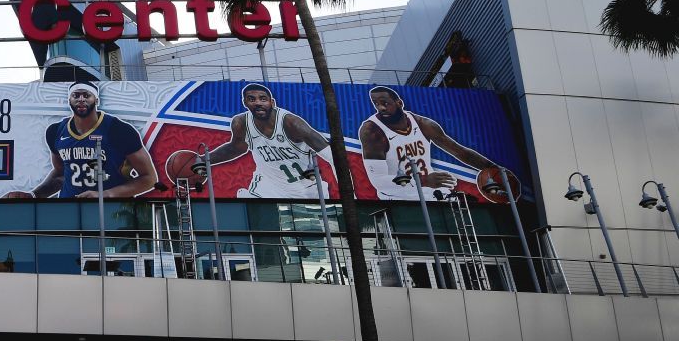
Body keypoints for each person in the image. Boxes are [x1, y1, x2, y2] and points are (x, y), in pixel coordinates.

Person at [359, 86, 503, 200]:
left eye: (385, 103)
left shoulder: (423, 124)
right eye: (376, 104)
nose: (381, 108)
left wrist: (495, 169)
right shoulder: (372, 131)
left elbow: (459, 151)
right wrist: (423, 180)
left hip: (431, 192)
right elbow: (378, 181)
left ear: (399, 103)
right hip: (398, 198)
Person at [203, 83, 333, 198]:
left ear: (272, 102)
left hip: (308, 189)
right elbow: (236, 148)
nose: (258, 102)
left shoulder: (292, 124)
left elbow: (334, 158)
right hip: (268, 187)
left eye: (263, 99)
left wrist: (353, 196)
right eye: (252, 99)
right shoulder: (241, 123)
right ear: (245, 103)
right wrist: (203, 160)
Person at [32, 81, 157, 199]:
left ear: (96, 100)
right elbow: (60, 175)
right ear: (69, 100)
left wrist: (105, 194)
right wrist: (34, 195)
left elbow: (149, 178)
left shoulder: (118, 129)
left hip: (113, 210)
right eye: (76, 95)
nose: (81, 99)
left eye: (86, 95)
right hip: (69, 207)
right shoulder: (55, 131)